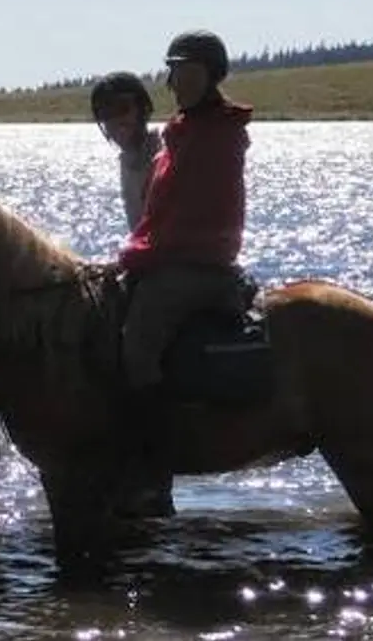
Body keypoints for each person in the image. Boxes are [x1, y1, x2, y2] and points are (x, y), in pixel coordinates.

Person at [116, 30, 255, 513]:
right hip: (174, 255)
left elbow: (184, 222)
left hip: (196, 264)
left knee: (137, 348)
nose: (178, 84)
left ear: (210, 78)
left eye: (189, 74)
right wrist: (133, 254)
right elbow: (160, 218)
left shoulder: (214, 136)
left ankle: (153, 466)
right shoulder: (186, 130)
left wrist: (137, 258)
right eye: (176, 74)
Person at [89, 71, 163, 232]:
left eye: (122, 108)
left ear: (143, 109)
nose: (115, 120)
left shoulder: (165, 158)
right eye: (106, 113)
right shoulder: (128, 162)